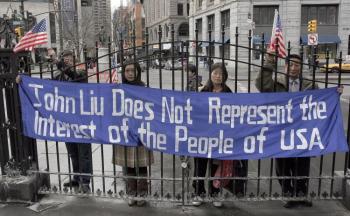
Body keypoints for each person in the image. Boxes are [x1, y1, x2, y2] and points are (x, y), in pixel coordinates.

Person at [255, 51, 316, 208]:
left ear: (301, 68)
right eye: (291, 65)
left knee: (302, 165)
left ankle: (301, 193)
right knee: (283, 164)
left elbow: (321, 102)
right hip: (281, 131)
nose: (294, 68)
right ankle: (288, 193)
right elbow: (261, 84)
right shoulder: (277, 83)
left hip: (302, 131)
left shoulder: (310, 84)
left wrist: (335, 93)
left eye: (297, 65)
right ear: (286, 66)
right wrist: (269, 63)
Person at [191, 62, 247, 208]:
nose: (217, 76)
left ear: (225, 77)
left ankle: (215, 192)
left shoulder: (228, 92)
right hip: (203, 136)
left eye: (221, 74)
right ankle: (198, 192)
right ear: (210, 74)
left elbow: (233, 114)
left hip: (220, 137)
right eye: (215, 73)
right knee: (200, 165)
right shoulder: (203, 91)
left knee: (217, 167)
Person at [112, 59, 154, 207]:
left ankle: (142, 194)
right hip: (125, 131)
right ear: (124, 72)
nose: (130, 73)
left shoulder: (144, 88)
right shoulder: (118, 88)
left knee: (142, 165)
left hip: (141, 131)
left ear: (137, 72)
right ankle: (131, 193)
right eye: (127, 70)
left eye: (133, 70)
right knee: (128, 165)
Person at [54, 50, 93, 193]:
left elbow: (72, 75)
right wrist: (24, 79)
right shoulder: (58, 78)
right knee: (73, 152)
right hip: (67, 121)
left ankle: (85, 181)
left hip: (82, 121)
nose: (67, 62)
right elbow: (42, 86)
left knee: (84, 153)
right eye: (65, 60)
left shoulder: (81, 74)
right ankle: (77, 178)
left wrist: (59, 63)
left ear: (74, 61)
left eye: (69, 60)